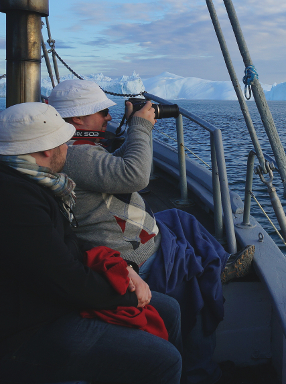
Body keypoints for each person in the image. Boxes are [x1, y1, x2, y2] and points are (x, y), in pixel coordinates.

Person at [48, 80, 254, 384]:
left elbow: (107, 165)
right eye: (103, 112)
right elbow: (136, 175)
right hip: (133, 253)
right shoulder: (78, 156)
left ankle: (220, 263)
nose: (107, 117)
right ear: (78, 119)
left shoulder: (77, 148)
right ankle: (201, 372)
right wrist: (140, 128)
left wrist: (127, 132)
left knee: (180, 219)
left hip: (126, 231)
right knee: (196, 284)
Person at [0, 102, 183, 384]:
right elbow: (63, 281)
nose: (68, 148)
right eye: (64, 141)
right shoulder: (16, 201)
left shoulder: (33, 183)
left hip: (45, 300)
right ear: (46, 150)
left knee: (168, 310)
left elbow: (63, 246)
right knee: (165, 361)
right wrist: (128, 296)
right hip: (27, 329)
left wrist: (124, 271)